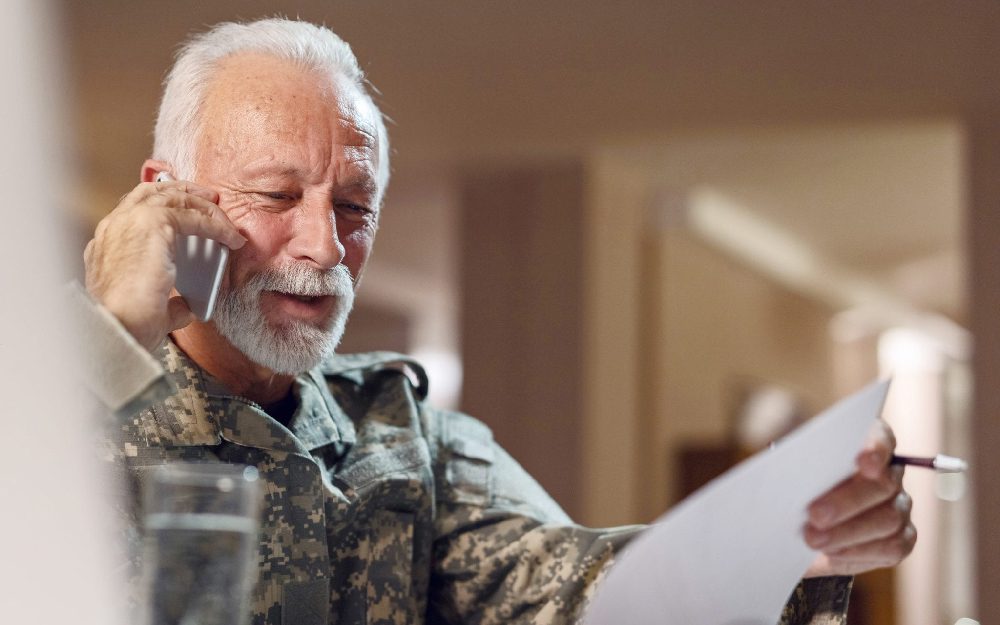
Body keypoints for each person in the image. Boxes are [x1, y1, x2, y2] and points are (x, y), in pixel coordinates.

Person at [78, 17, 916, 625]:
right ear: (164, 195)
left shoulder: (407, 441)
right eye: (276, 195)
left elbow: (592, 593)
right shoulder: (56, 413)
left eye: (355, 204)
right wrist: (112, 332)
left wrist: (786, 530)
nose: (327, 244)